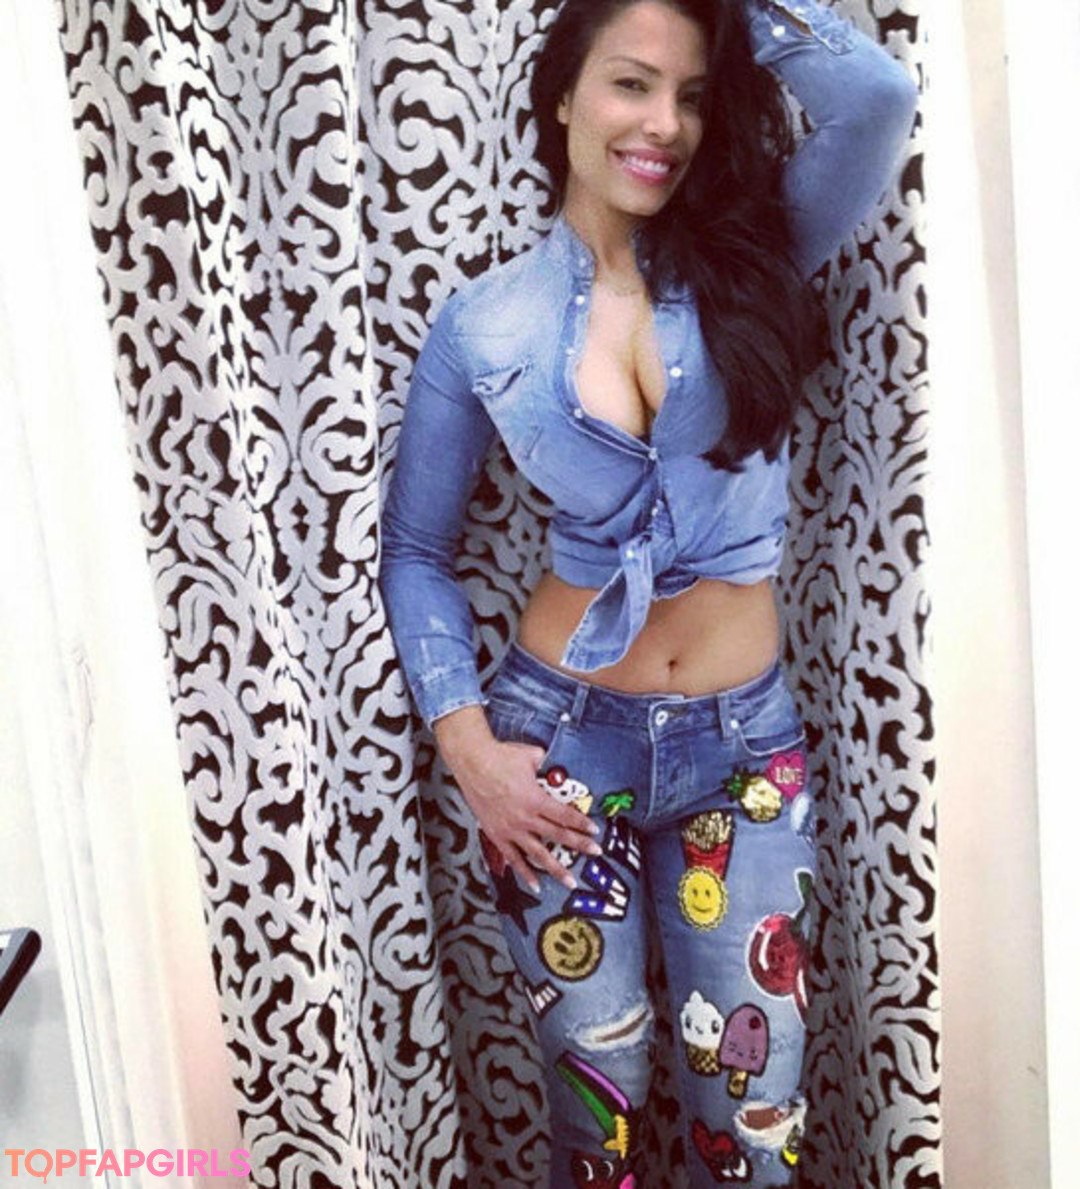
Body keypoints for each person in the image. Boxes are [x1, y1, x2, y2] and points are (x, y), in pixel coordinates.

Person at [378, 1, 918, 1185]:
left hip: (746, 752)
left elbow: (877, 99)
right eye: (631, 84)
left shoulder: (761, 252)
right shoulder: (482, 325)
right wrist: (470, 749)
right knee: (600, 1116)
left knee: (754, 1120)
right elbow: (415, 550)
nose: (663, 124)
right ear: (563, 97)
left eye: (691, 96)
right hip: (559, 747)